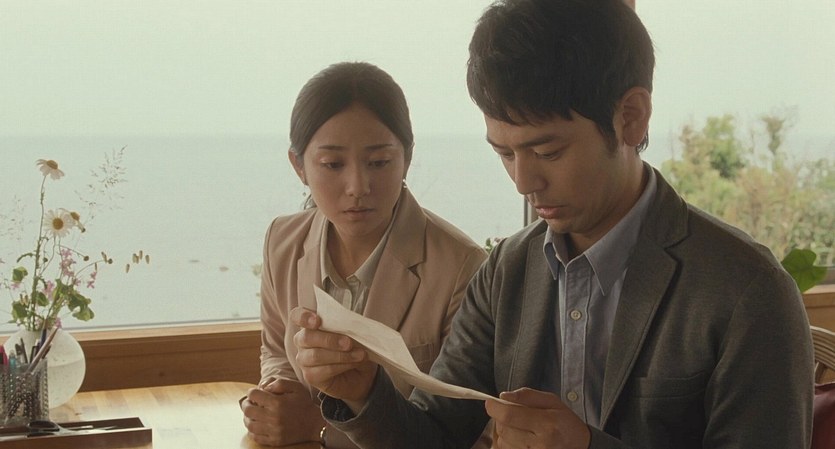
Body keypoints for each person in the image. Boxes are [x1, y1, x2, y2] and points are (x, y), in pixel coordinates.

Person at [290, 0, 815, 448]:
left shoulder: (746, 292)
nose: (523, 181)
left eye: (547, 151)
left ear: (631, 117)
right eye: (504, 154)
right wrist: (363, 392)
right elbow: (434, 435)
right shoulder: (508, 270)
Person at [240, 61, 488, 448]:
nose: (358, 186)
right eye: (332, 164)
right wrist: (276, 398)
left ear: (406, 158)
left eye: (379, 162)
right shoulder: (282, 241)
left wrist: (321, 426)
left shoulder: (462, 268)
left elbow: (461, 433)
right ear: (299, 166)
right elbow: (276, 352)